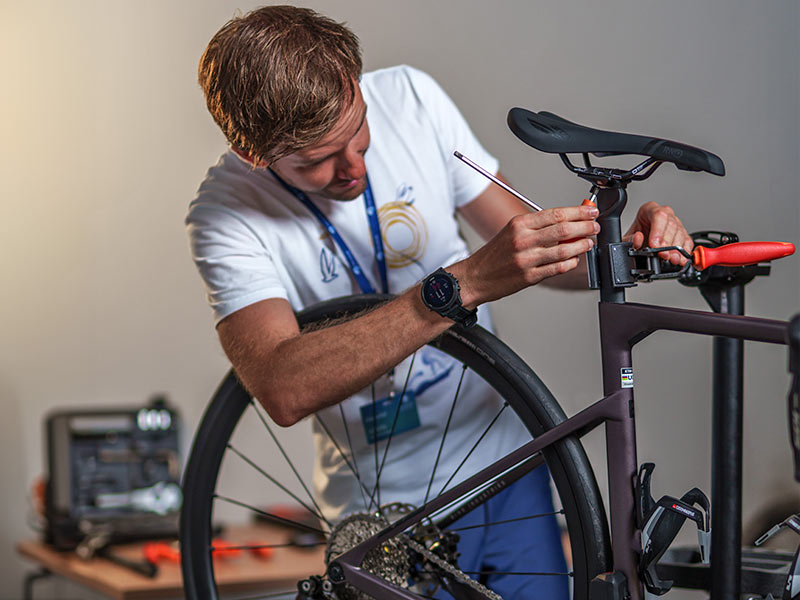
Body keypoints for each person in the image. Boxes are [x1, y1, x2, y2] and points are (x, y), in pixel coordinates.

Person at [187, 5, 694, 599]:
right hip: (385, 506)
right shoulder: (223, 216)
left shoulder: (412, 99)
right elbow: (281, 386)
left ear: (357, 79)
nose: (353, 165)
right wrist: (458, 287)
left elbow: (539, 251)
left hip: (505, 462)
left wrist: (625, 247)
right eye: (316, 160)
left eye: (357, 130)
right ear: (255, 154)